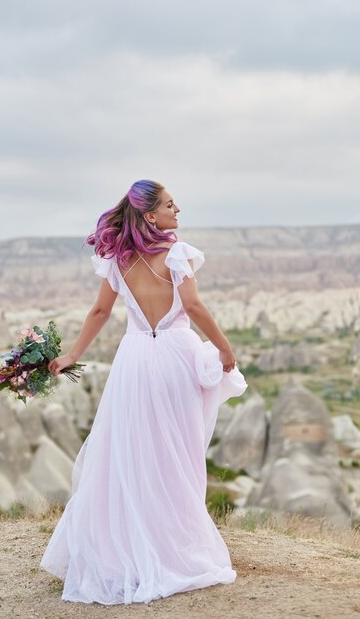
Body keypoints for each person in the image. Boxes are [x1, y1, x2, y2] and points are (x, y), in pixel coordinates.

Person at [40, 179, 247, 605]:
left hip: (134, 359)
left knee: (133, 451)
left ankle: (131, 547)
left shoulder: (118, 260)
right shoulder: (177, 253)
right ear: (150, 215)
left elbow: (100, 311)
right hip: (175, 358)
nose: (178, 210)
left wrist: (71, 356)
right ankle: (173, 546)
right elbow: (192, 307)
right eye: (171, 205)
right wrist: (225, 347)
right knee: (179, 453)